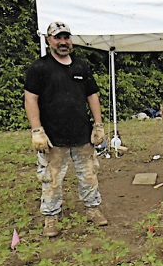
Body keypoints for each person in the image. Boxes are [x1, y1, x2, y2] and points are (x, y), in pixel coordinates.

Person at [24, 21, 108, 237]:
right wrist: (37, 130)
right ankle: (51, 216)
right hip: (53, 137)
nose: (63, 42)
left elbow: (92, 95)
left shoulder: (81, 66)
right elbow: (31, 99)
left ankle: (93, 209)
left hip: (82, 134)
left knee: (89, 174)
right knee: (51, 179)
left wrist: (98, 124)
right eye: (58, 38)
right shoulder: (39, 68)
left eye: (66, 37)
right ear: (48, 40)